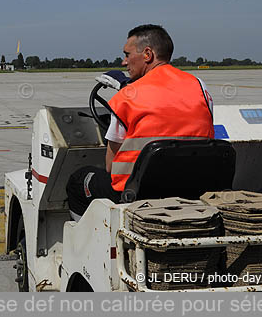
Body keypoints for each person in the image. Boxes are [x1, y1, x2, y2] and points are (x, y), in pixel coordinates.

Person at [66, 24, 214, 221]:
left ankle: (84, 248)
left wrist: (128, 90)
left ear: (147, 54)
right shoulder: (199, 86)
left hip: (140, 195)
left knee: (78, 181)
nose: (123, 62)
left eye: (127, 55)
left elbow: (111, 166)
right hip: (193, 188)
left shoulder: (126, 97)